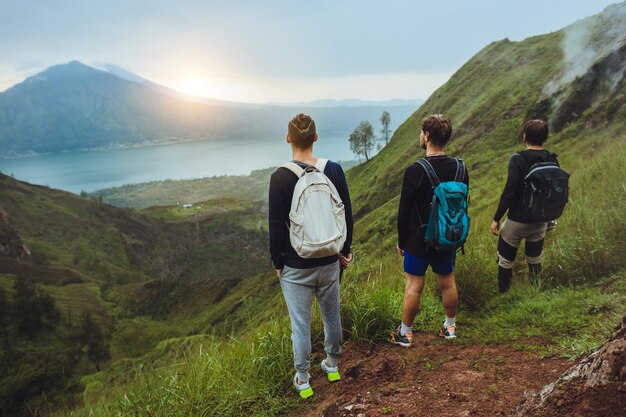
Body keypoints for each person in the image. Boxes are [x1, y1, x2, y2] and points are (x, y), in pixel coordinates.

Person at [268, 113, 354, 398]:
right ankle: (332, 365)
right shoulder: (334, 170)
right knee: (332, 316)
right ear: (315, 137)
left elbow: (276, 227)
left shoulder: (280, 177)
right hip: (330, 259)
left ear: (288, 138)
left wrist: (279, 263)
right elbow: (345, 215)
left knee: (301, 325)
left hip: (296, 265)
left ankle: (303, 380)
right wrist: (345, 250)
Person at [391, 114, 469, 347]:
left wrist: (402, 240)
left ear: (426, 135)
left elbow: (404, 211)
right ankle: (450, 327)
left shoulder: (415, 170)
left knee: (414, 285)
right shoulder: (460, 167)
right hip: (448, 236)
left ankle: (405, 333)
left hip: (419, 240)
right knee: (448, 282)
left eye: (420, 132)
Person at [491, 119, 559, 292]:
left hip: (517, 221)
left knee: (505, 260)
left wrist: (496, 218)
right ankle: (536, 290)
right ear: (544, 137)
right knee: (534, 259)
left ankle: (504, 294)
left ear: (525, 136)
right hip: (540, 220)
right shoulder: (551, 158)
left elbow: (509, 191)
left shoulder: (518, 159)